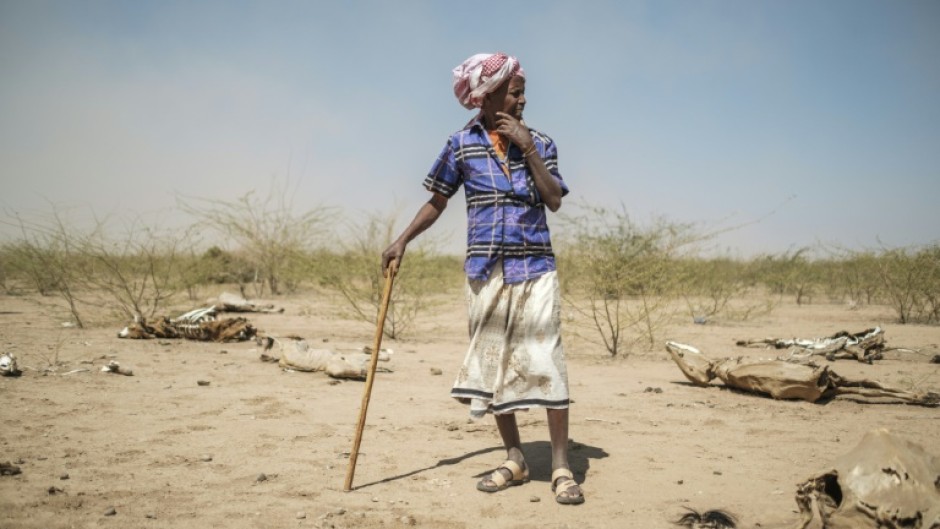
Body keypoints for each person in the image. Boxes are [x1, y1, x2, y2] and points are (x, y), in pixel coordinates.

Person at [381, 52, 583, 505]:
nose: (523, 99)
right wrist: (402, 241)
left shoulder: (543, 143)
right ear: (488, 96)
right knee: (493, 368)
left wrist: (527, 147)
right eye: (515, 92)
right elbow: (438, 201)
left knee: (548, 362)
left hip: (536, 271)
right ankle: (515, 458)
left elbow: (554, 200)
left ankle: (562, 467)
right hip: (485, 272)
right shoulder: (460, 145)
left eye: (523, 91)